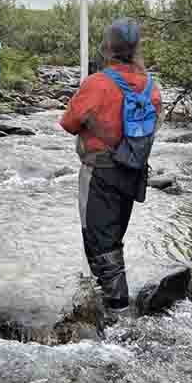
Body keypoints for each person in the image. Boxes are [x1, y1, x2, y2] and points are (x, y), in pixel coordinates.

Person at [60, 17, 162, 315]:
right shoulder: (151, 86)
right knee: (113, 237)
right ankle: (106, 301)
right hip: (133, 171)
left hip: (100, 171)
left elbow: (69, 123)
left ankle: (118, 309)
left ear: (107, 48)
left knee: (99, 239)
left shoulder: (97, 83)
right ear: (135, 48)